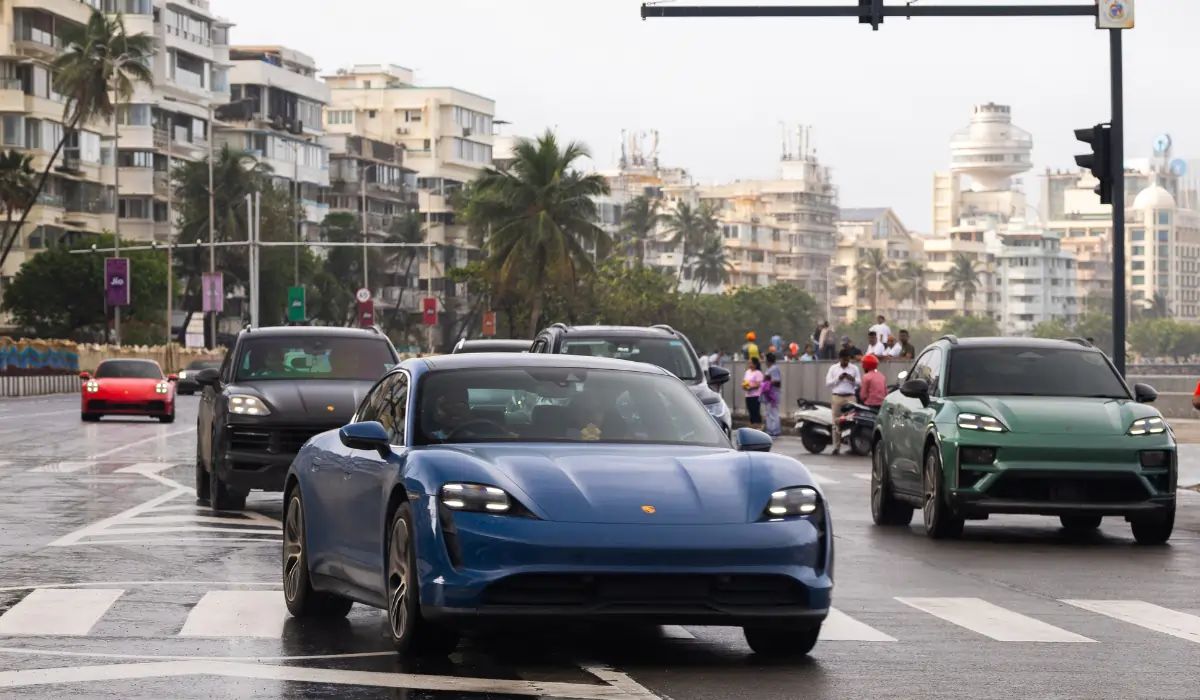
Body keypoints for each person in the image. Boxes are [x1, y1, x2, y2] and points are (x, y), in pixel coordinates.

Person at [825, 350, 862, 455]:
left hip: (850, 397)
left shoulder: (854, 368)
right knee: (836, 422)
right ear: (840, 358)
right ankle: (836, 447)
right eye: (844, 359)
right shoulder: (833, 368)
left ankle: (852, 445)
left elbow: (859, 383)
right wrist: (838, 379)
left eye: (848, 359)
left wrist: (852, 379)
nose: (846, 361)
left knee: (852, 422)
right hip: (837, 397)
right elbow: (828, 383)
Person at [761, 352, 783, 437]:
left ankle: (775, 430)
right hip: (768, 393)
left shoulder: (774, 368)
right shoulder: (771, 368)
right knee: (769, 412)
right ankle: (770, 429)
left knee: (773, 412)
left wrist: (766, 383)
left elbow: (776, 380)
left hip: (772, 393)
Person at [742, 357, 765, 430]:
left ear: (755, 364)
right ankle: (752, 424)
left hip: (755, 395)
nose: (749, 364)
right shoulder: (747, 372)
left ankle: (757, 425)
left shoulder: (758, 373)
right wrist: (744, 386)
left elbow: (758, 384)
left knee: (755, 410)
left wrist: (751, 387)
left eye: (751, 362)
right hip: (748, 394)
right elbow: (745, 381)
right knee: (750, 410)